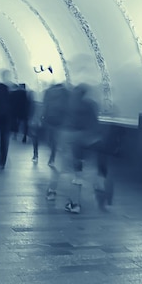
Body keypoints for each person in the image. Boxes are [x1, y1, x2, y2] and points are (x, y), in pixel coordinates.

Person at [46, 83, 101, 214]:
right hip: (83, 138)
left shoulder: (66, 102)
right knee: (78, 172)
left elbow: (54, 117)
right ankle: (74, 204)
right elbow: (95, 123)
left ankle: (51, 191)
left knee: (60, 167)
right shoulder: (90, 105)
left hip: (66, 135)